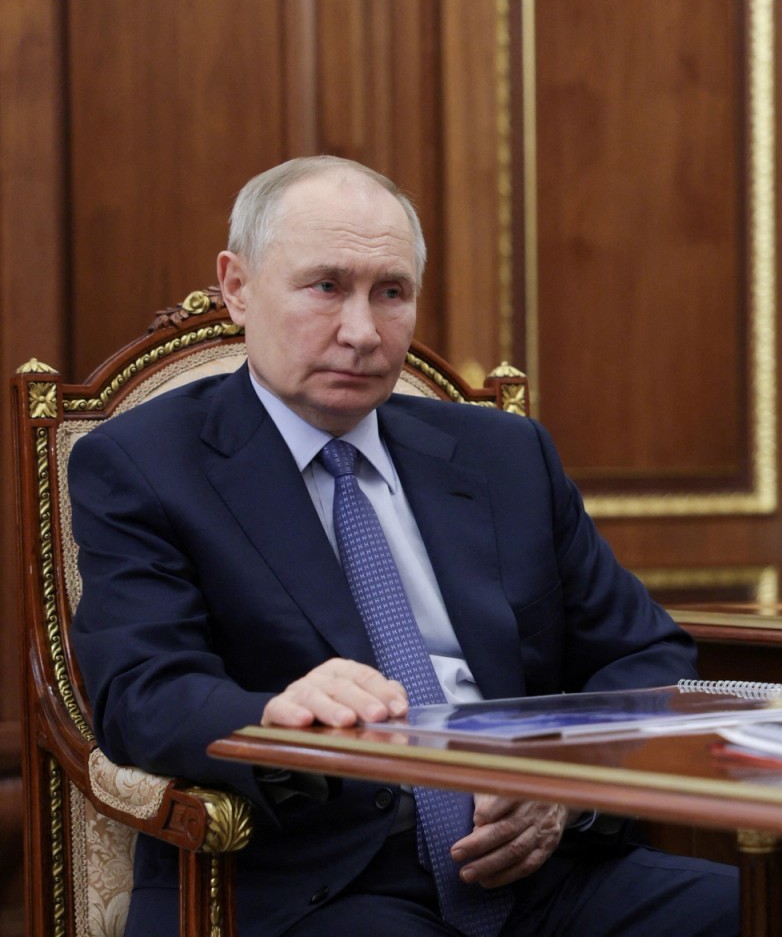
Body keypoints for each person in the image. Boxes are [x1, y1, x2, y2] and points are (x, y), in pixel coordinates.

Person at [69, 156, 738, 937]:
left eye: (391, 292)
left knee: (769, 907)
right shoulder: (145, 463)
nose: (361, 332)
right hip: (310, 882)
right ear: (238, 286)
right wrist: (274, 713)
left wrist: (562, 778)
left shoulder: (504, 455)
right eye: (326, 286)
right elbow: (142, 692)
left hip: (539, 866)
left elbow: (649, 654)